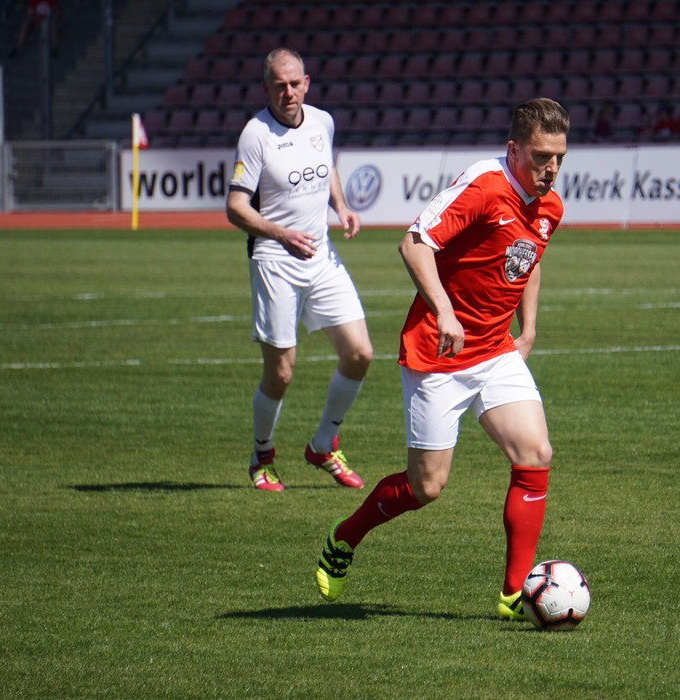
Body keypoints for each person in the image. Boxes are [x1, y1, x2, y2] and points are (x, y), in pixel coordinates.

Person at [314, 98, 569, 620]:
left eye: (560, 157)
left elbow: (529, 260)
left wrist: (531, 328)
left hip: (495, 350)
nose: (552, 169)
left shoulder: (550, 206)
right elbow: (413, 244)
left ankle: (514, 594)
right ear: (513, 148)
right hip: (439, 351)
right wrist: (446, 312)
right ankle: (345, 536)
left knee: (535, 452)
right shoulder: (483, 185)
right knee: (426, 486)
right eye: (542, 156)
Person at [226, 47, 372, 492]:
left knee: (360, 354)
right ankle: (261, 456)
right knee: (281, 373)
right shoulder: (256, 135)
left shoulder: (322, 121)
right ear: (266, 89)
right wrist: (279, 233)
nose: (288, 93)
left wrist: (342, 206)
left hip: (321, 257)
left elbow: (326, 167)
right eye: (279, 86)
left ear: (306, 83)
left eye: (295, 84)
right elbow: (235, 207)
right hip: (275, 262)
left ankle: (324, 444)